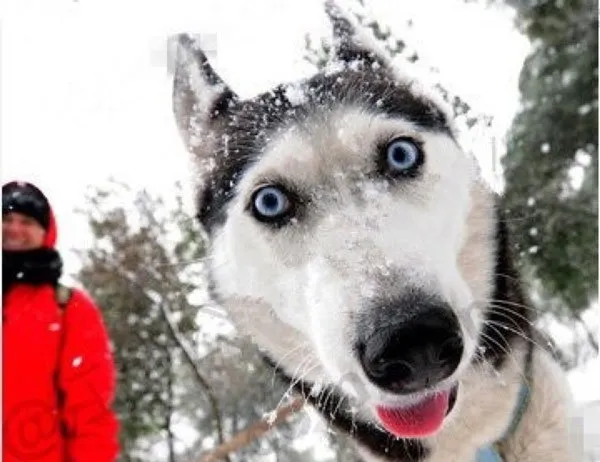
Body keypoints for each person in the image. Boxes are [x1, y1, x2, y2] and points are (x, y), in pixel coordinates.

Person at [2, 181, 119, 462]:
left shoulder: (70, 307)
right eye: (6, 219)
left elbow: (90, 414)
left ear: (46, 232)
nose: (14, 228)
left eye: (27, 221)